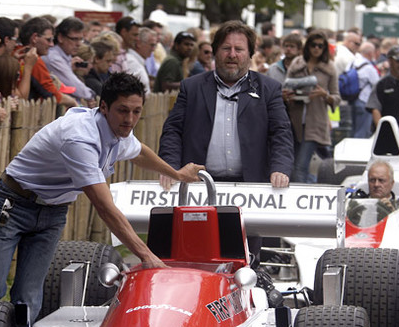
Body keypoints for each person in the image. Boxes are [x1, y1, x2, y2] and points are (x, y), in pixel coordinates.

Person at [0, 73, 203, 323]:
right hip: (14, 204)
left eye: (136, 112)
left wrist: (176, 174)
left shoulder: (117, 130)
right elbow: (104, 207)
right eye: (123, 111)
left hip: (53, 211)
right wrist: (146, 256)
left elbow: (139, 152)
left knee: (28, 297)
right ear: (103, 107)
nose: (130, 120)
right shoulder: (80, 138)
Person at [158, 20, 294, 267]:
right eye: (226, 48)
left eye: (239, 49)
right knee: (196, 259)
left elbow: (281, 133)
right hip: (200, 188)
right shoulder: (193, 86)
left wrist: (280, 168)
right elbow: (173, 130)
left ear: (250, 55)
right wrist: (169, 166)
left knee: (244, 263)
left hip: (250, 190)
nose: (232, 55)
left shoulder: (269, 89)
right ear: (215, 51)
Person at [285, 31, 340, 183]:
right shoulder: (297, 63)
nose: (316, 48)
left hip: (315, 122)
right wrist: (287, 95)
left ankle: (298, 198)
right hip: (294, 120)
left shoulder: (330, 68)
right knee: (292, 164)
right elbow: (286, 86)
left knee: (301, 166)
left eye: (320, 46)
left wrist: (324, 95)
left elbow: (337, 97)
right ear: (308, 46)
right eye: (313, 45)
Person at [366, 45, 399, 132]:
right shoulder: (381, 84)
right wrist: (382, 131)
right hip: (389, 132)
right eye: (398, 61)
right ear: (390, 61)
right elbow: (375, 109)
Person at [43, 17, 97, 107]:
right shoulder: (53, 58)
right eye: (75, 39)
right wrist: (91, 95)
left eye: (81, 39)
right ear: (60, 38)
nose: (79, 43)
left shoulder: (65, 55)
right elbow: (74, 86)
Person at [351, 41, 380, 138]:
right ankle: (357, 152)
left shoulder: (353, 63)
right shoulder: (369, 68)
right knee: (362, 131)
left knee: (354, 129)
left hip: (353, 100)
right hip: (364, 102)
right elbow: (377, 85)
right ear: (371, 53)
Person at [124, 26, 157, 94]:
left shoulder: (137, 61)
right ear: (139, 44)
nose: (153, 49)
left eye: (154, 45)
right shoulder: (131, 62)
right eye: (151, 45)